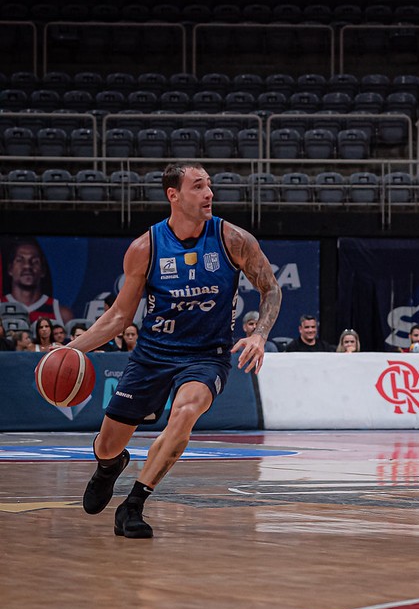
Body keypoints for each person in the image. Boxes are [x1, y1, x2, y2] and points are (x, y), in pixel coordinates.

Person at [66, 161, 282, 539]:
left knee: (185, 413)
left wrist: (260, 335)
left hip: (206, 357)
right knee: (108, 442)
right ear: (174, 195)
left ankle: (134, 504)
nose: (209, 193)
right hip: (153, 355)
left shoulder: (233, 240)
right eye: (198, 186)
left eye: (209, 186)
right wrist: (68, 351)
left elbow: (271, 289)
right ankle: (108, 464)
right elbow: (119, 317)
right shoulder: (145, 248)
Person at [1, 238, 74, 324]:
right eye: (20, 260)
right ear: (10, 269)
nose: (27, 266)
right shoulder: (1, 306)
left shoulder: (62, 315)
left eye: (35, 261)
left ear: (43, 270)